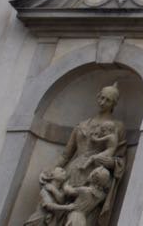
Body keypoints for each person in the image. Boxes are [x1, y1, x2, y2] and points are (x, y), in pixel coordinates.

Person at [26, 84, 125, 226]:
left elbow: (119, 157)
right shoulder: (82, 124)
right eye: (101, 98)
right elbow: (66, 155)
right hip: (72, 173)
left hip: (93, 177)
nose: (103, 102)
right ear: (98, 97)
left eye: (108, 100)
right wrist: (49, 171)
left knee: (80, 215)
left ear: (114, 103)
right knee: (56, 215)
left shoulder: (117, 126)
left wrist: (108, 162)